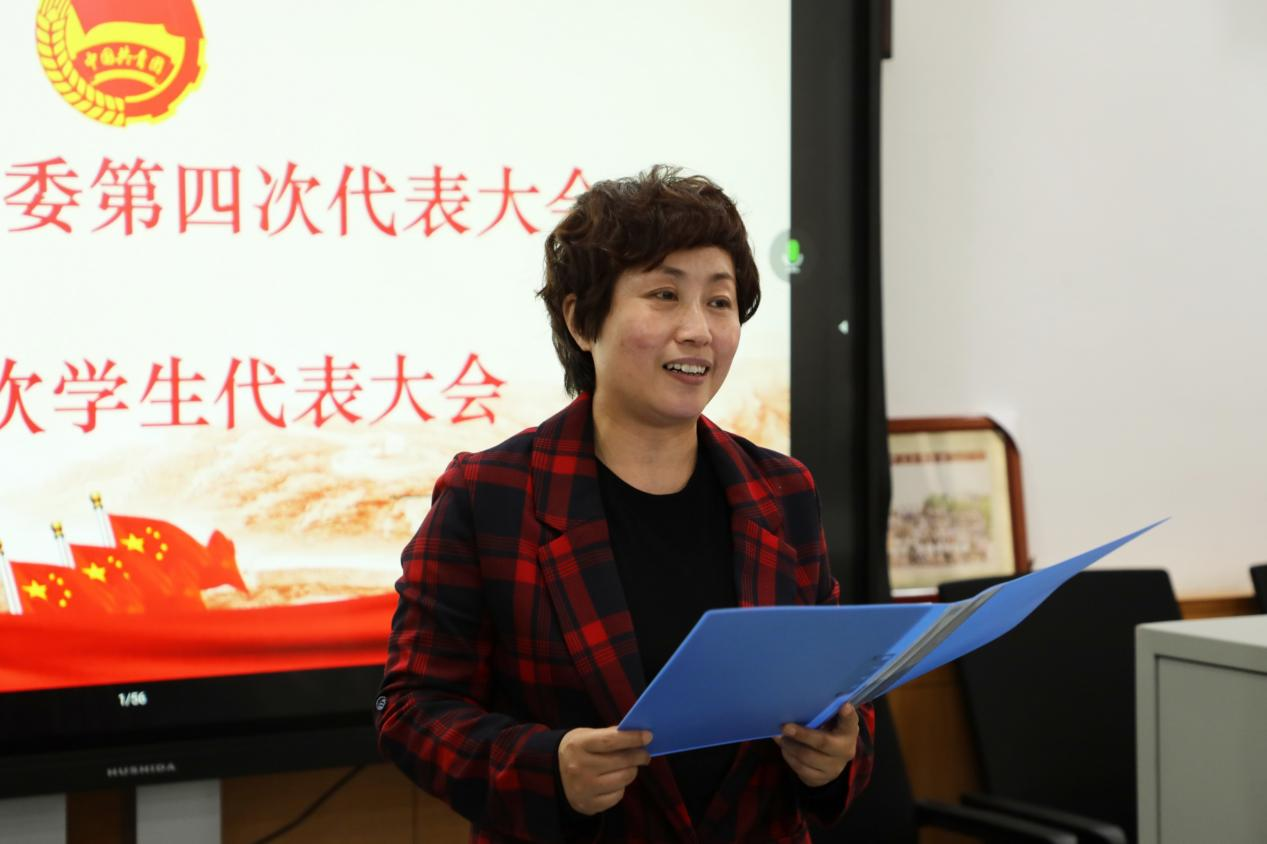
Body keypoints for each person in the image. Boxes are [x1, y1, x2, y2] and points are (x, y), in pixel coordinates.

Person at [376, 166, 874, 843]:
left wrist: (837, 754)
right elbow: (411, 707)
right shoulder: (489, 495)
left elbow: (834, 687)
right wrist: (547, 767)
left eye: (719, 301)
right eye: (665, 295)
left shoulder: (782, 491)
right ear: (582, 320)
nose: (698, 329)